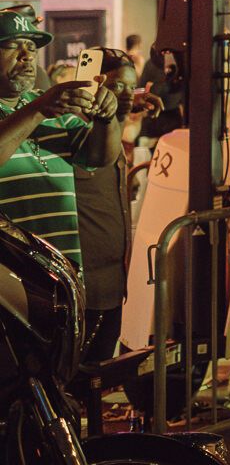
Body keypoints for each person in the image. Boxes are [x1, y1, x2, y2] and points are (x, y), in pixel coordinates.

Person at [0, 12, 121, 269]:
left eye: (31, 47)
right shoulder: (45, 104)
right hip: (10, 281)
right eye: (12, 45)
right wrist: (39, 110)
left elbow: (99, 157)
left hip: (63, 271)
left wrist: (106, 118)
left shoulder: (49, 103)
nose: (27, 55)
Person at [73, 49, 159, 362]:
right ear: (93, 81)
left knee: (98, 370)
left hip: (111, 279)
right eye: (117, 86)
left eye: (131, 87)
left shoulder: (106, 127)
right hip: (86, 281)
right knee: (83, 373)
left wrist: (131, 107)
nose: (126, 95)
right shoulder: (74, 131)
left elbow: (109, 124)